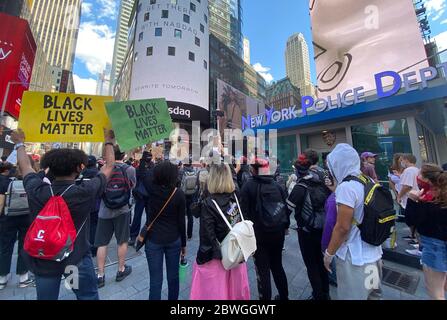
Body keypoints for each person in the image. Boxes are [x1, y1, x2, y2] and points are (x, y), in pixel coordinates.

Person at [10, 129, 115, 300]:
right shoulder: (84, 192)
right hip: (73, 262)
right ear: (78, 169)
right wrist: (109, 140)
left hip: (44, 260)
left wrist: (20, 143)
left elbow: (26, 167)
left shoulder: (37, 190)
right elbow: (109, 166)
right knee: (85, 296)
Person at [323, 143, 383, 300]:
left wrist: (329, 254)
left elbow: (342, 227)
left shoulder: (346, 187)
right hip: (374, 255)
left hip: (355, 260)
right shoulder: (367, 179)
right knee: (374, 296)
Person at [190, 163, 250, 300]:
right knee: (236, 293)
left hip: (218, 258)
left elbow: (207, 237)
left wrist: (201, 260)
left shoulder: (209, 203)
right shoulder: (235, 195)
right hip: (236, 253)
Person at [240, 158, 290, 300]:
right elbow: (284, 208)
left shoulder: (248, 187)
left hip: (259, 236)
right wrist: (285, 227)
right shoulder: (277, 185)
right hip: (278, 232)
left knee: (263, 271)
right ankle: (284, 296)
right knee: (277, 266)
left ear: (254, 170)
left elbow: (244, 214)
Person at [287, 150, 332, 300]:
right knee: (321, 261)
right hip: (324, 226)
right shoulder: (323, 178)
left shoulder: (301, 184)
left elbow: (288, 208)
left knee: (311, 264)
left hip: (306, 229)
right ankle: (326, 293)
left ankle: (317, 295)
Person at [143, 160, 186, 300]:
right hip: (173, 239)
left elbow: (146, 174)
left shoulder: (151, 189)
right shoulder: (178, 194)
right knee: (173, 278)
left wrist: (155, 166)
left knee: (155, 281)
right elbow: (181, 222)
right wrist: (184, 244)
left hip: (153, 240)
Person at [95, 146, 136, 288]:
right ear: (124, 154)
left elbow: (99, 187)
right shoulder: (129, 169)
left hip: (104, 210)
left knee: (102, 243)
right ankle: (121, 270)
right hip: (122, 210)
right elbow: (132, 186)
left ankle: (100, 275)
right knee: (122, 240)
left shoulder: (103, 168)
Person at [405, 164, 447, 300]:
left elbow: (411, 220)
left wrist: (412, 200)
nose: (417, 177)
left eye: (420, 175)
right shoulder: (442, 196)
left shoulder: (428, 200)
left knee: (435, 291)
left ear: (427, 180)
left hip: (433, 245)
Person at [0, 162, 34, 290]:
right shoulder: (31, 182)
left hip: (8, 218)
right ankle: (23, 277)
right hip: (26, 217)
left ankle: (2, 278)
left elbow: (1, 202)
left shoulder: (5, 182)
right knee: (24, 246)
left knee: (5, 247)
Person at [129, 151, 153, 246]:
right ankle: (147, 235)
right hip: (146, 196)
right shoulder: (150, 168)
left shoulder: (139, 168)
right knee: (147, 216)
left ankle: (134, 236)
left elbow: (134, 183)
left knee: (138, 216)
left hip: (142, 196)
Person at [397, 154, 420, 247]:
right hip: (415, 197)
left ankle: (416, 238)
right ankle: (413, 235)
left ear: (407, 160)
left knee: (411, 218)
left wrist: (399, 196)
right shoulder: (417, 170)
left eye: (402, 160)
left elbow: (407, 185)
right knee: (413, 218)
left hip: (410, 198)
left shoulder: (408, 171)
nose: (401, 162)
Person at [80, 156, 100, 257]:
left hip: (82, 204)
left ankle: (83, 247)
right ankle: (93, 249)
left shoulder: (80, 174)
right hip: (95, 205)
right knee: (93, 226)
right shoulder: (98, 174)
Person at [181, 162, 198, 240]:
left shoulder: (181, 172)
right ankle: (189, 234)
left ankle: (182, 234)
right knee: (190, 216)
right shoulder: (194, 172)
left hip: (183, 196)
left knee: (181, 215)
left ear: (184, 164)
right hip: (191, 196)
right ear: (191, 165)